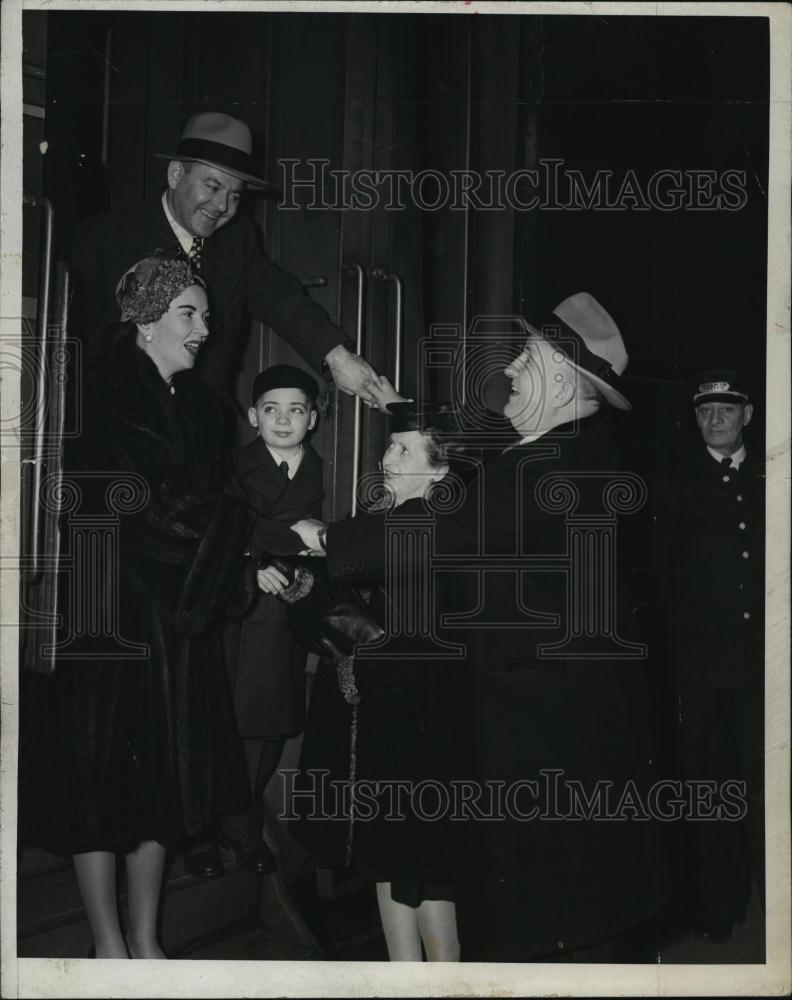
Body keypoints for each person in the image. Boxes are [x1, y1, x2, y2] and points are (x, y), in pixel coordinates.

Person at [294, 293, 660, 962]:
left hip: (548, 742)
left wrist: (325, 539)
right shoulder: (561, 452)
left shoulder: (550, 466)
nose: (511, 370)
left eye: (526, 357)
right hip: (548, 731)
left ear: (562, 377)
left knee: (559, 937)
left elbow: (445, 528)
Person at [20, 255, 249, 958]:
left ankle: (146, 942)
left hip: (173, 608)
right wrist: (233, 542)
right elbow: (149, 505)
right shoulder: (99, 388)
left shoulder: (206, 408)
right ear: (145, 322)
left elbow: (208, 505)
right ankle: (109, 944)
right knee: (97, 785)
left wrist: (225, 541)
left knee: (160, 785)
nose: (205, 329)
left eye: (206, 314)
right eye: (190, 313)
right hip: (106, 603)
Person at [281, 402, 463, 962]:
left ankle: (441, 972)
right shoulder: (380, 518)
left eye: (404, 450)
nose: (386, 457)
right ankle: (407, 972)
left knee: (426, 862)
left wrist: (319, 565)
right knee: (391, 855)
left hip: (424, 715)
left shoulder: (437, 524)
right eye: (389, 445)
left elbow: (403, 625)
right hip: (380, 714)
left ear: (439, 472)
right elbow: (330, 607)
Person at [67, 111, 382, 408]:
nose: (221, 205)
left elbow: (280, 298)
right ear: (176, 174)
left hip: (203, 428)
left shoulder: (238, 237)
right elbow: (78, 348)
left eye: (235, 195)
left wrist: (338, 357)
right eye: (213, 186)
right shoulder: (102, 238)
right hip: (121, 425)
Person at [185, 364, 325, 879]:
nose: (283, 420)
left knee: (272, 725)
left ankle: (233, 823)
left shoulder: (324, 470)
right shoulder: (230, 466)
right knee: (220, 726)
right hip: (233, 615)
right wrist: (253, 559)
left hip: (286, 617)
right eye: (271, 409)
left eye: (295, 410)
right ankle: (205, 833)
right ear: (252, 416)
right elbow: (206, 531)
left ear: (313, 417)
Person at [653, 370, 764, 944]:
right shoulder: (676, 484)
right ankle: (720, 905)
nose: (713, 418)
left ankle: (778, 900)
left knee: (770, 786)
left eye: (725, 408)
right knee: (712, 788)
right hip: (702, 669)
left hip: (766, 665)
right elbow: (663, 582)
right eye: (704, 410)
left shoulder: (774, 475)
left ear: (747, 413)